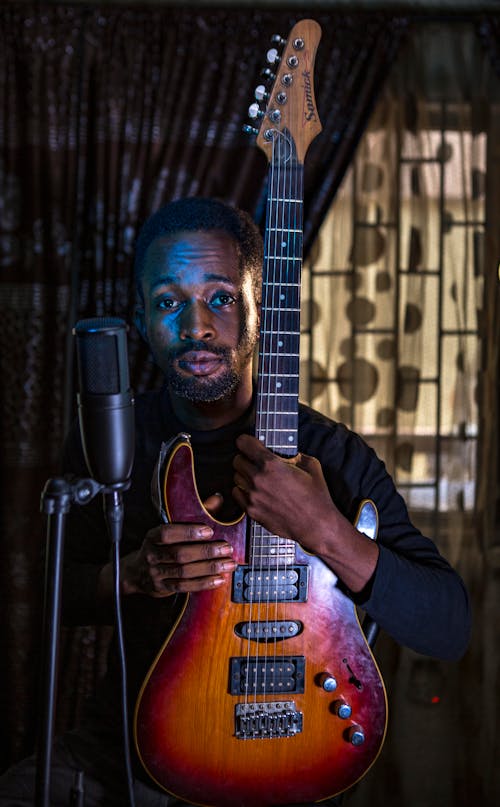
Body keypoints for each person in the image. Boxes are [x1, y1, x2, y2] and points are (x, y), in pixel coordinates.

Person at [0, 197, 471, 807]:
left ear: (261, 313)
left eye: (222, 297)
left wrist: (325, 530)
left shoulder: (336, 455)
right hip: (133, 745)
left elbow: (451, 626)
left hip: (297, 743)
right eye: (169, 302)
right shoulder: (113, 437)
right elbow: (45, 596)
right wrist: (132, 578)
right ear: (142, 319)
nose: (195, 326)